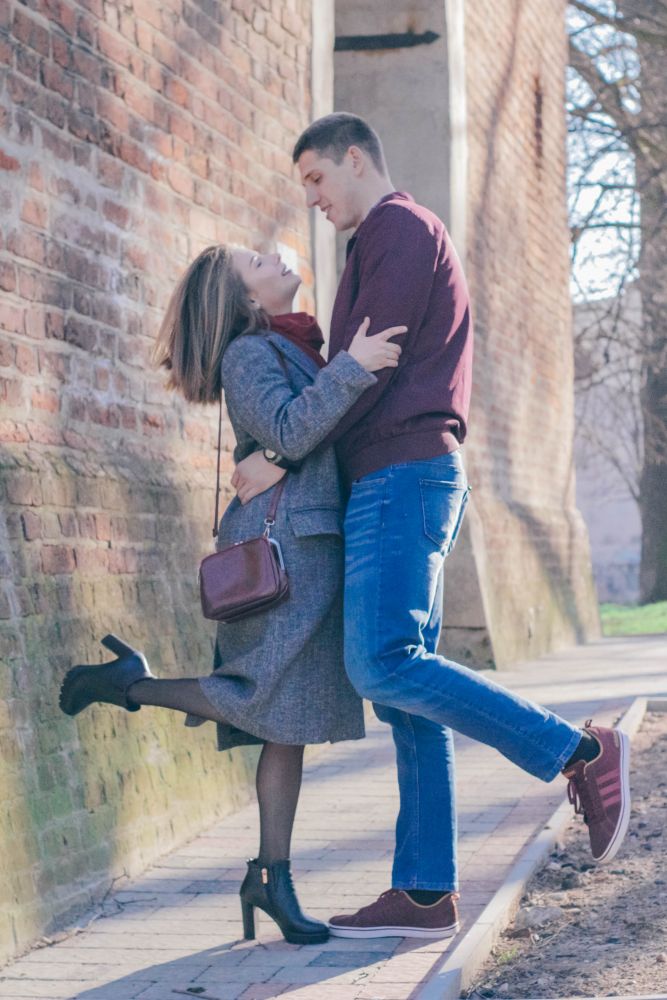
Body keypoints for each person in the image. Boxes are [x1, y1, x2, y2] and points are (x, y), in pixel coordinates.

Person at [231, 113, 632, 940]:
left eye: (315, 178)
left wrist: (279, 450)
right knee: (405, 694)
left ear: (353, 159)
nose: (311, 199)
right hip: (395, 477)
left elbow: (366, 373)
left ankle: (576, 751)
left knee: (381, 664)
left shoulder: (398, 231)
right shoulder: (375, 243)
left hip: (402, 474)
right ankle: (422, 890)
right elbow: (355, 370)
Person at [58, 242, 406, 945]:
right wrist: (352, 368)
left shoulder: (291, 344)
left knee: (287, 722)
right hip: (282, 550)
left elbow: (292, 440)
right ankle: (129, 685)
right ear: (244, 299)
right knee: (259, 695)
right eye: (258, 261)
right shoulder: (249, 353)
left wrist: (329, 384)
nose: (275, 255)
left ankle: (271, 878)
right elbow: (287, 429)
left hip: (307, 542)